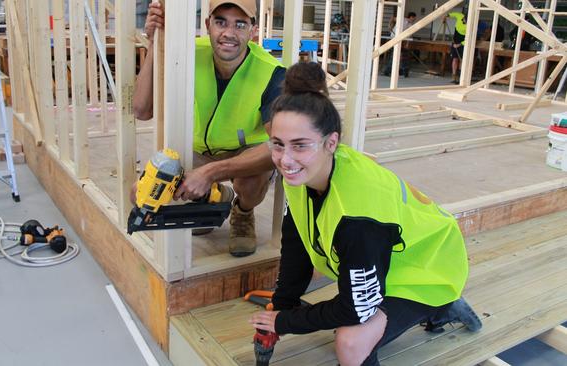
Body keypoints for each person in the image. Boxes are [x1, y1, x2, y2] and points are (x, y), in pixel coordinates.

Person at [249, 62, 482, 365]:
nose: (285, 159)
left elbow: (354, 309)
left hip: (427, 268)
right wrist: (282, 306)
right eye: (278, 145)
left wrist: (284, 323)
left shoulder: (357, 216)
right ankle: (436, 309)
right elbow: (298, 243)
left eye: (299, 145)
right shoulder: (306, 170)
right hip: (386, 263)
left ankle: (441, 303)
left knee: (350, 342)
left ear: (331, 142)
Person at [131, 0, 286, 257]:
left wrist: (209, 173)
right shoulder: (189, 54)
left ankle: (243, 212)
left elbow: (280, 145)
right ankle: (211, 200)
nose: (229, 33)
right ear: (208, 25)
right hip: (198, 150)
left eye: (240, 24)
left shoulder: (271, 72)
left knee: (253, 180)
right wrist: (154, 41)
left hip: (245, 156)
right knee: (140, 193)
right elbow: (141, 109)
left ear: (253, 30)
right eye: (220, 22)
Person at [444, 11, 467, 84]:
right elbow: (452, 14)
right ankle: (454, 76)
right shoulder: (460, 15)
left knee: (462, 60)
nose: (465, 22)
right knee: (454, 59)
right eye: (465, 20)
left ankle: (461, 77)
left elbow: (469, 38)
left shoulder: (470, 26)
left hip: (463, 43)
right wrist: (446, 16)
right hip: (455, 41)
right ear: (463, 18)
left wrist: (460, 44)